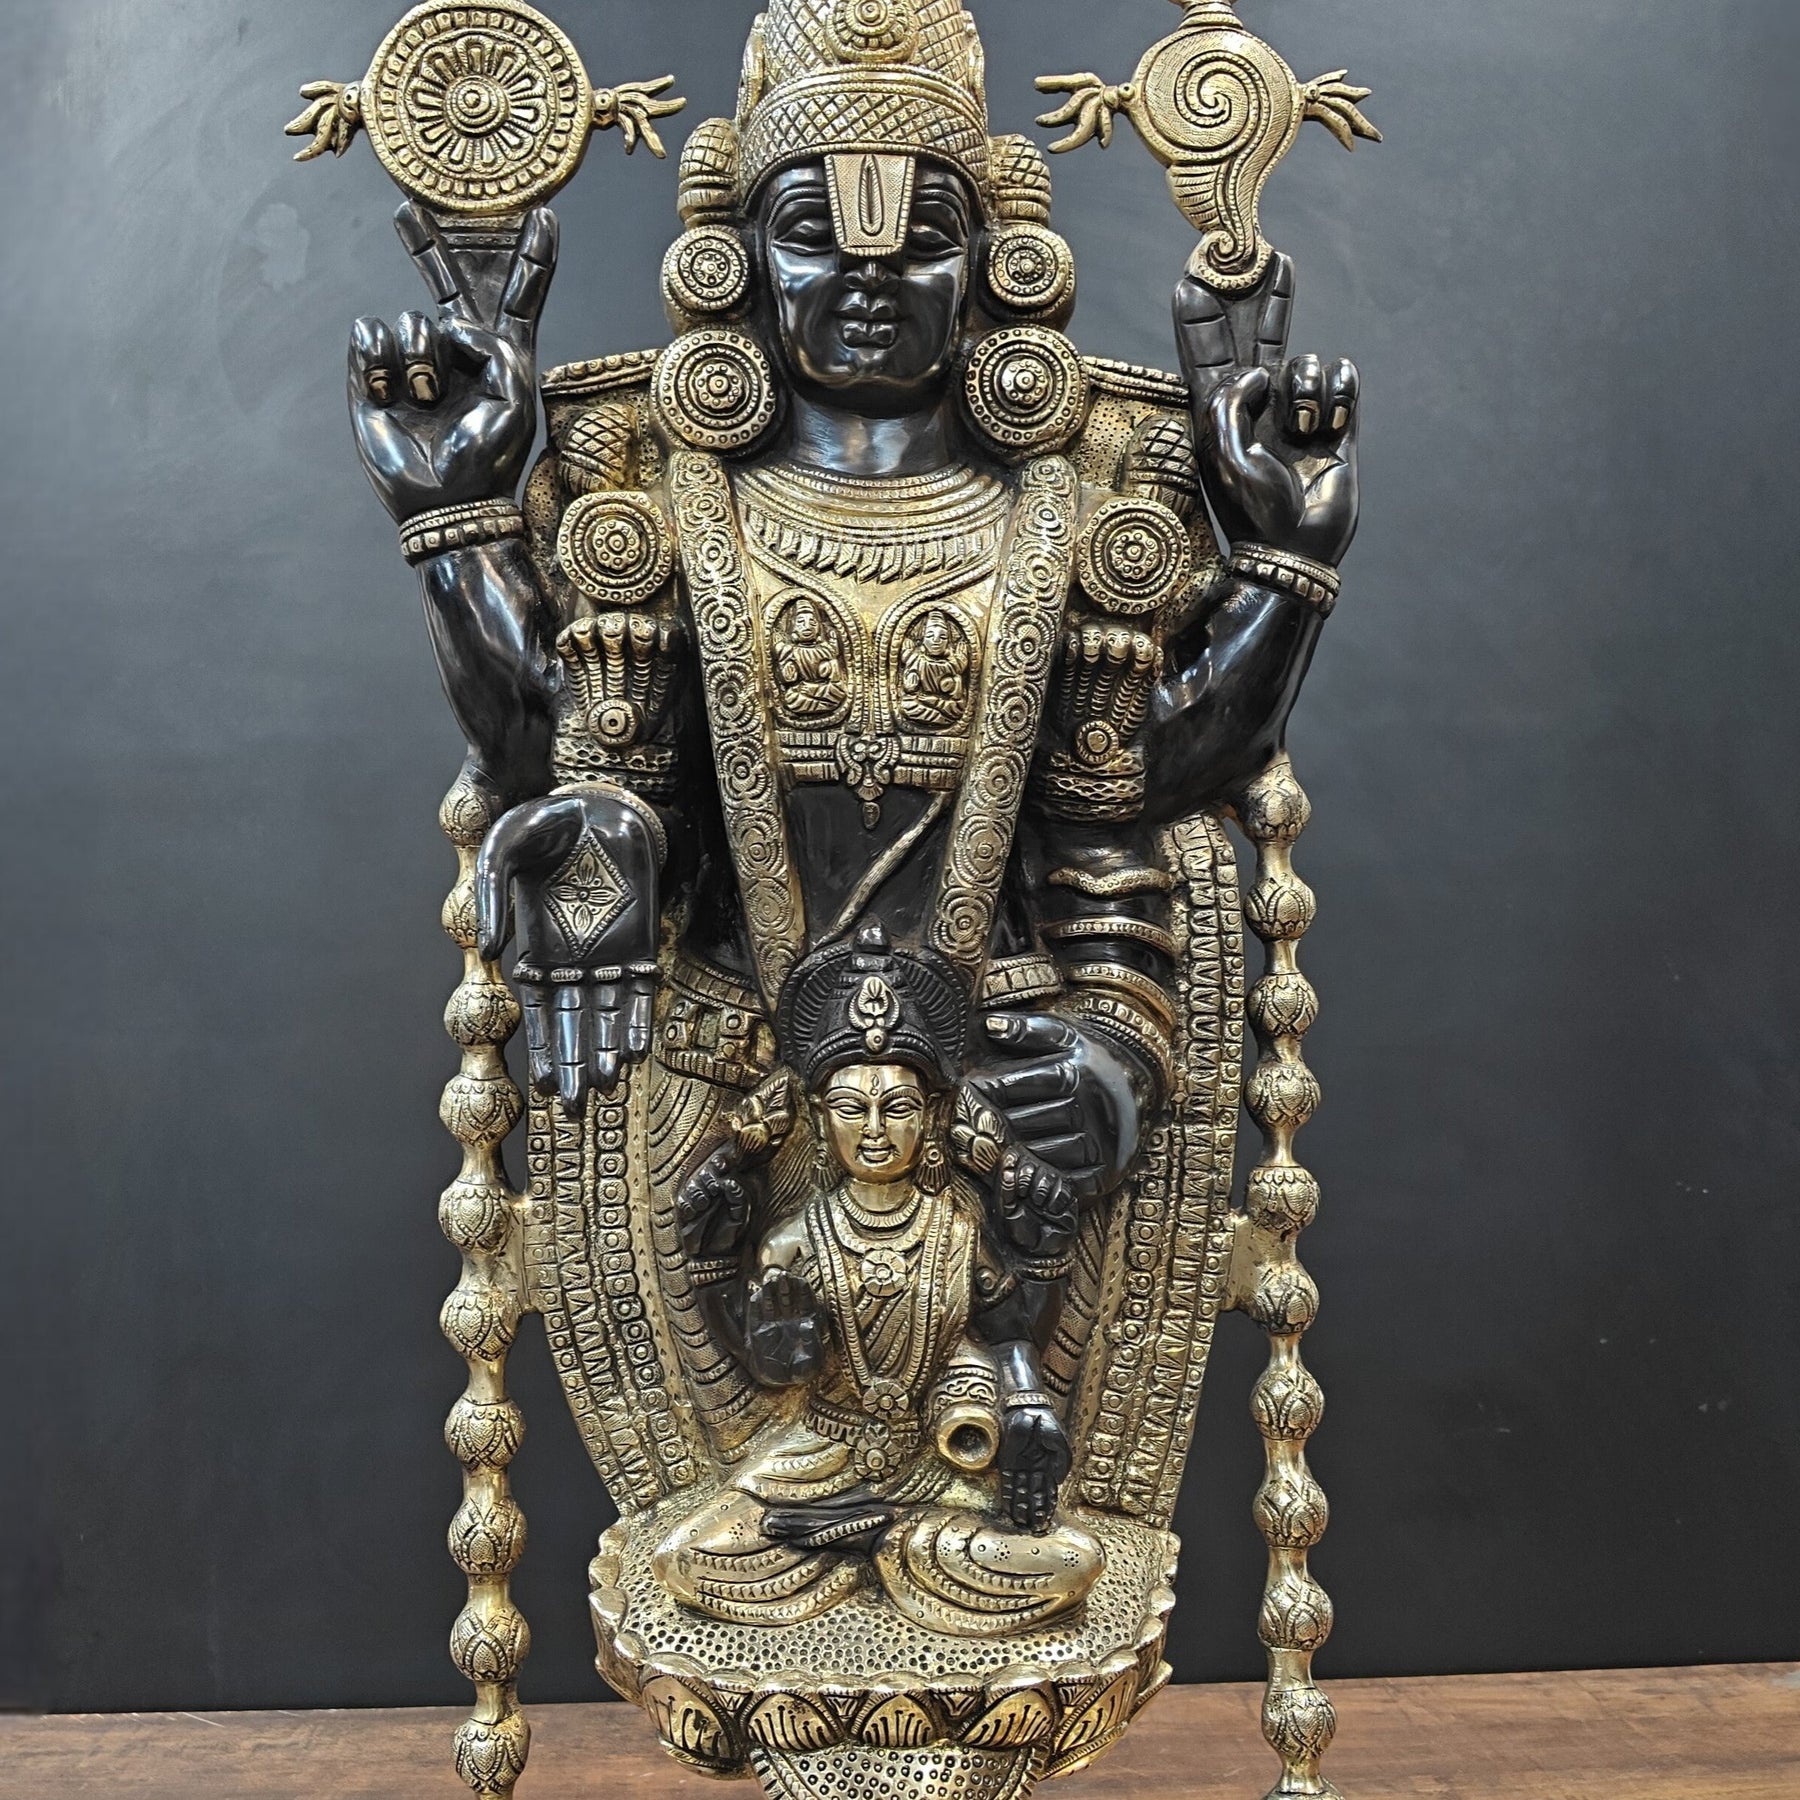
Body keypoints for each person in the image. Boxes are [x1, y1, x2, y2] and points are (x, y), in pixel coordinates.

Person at [346, 0, 1361, 1543]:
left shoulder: (1067, 505)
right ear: (741, 261)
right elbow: (566, 753)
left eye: (924, 238)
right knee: (747, 1546)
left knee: (1002, 1549)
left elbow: (1131, 798)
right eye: (817, 234)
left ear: (994, 262)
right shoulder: (659, 496)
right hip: (720, 1095)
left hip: (1018, 1094)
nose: (873, 278)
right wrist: (457, 524)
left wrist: (1285, 559)